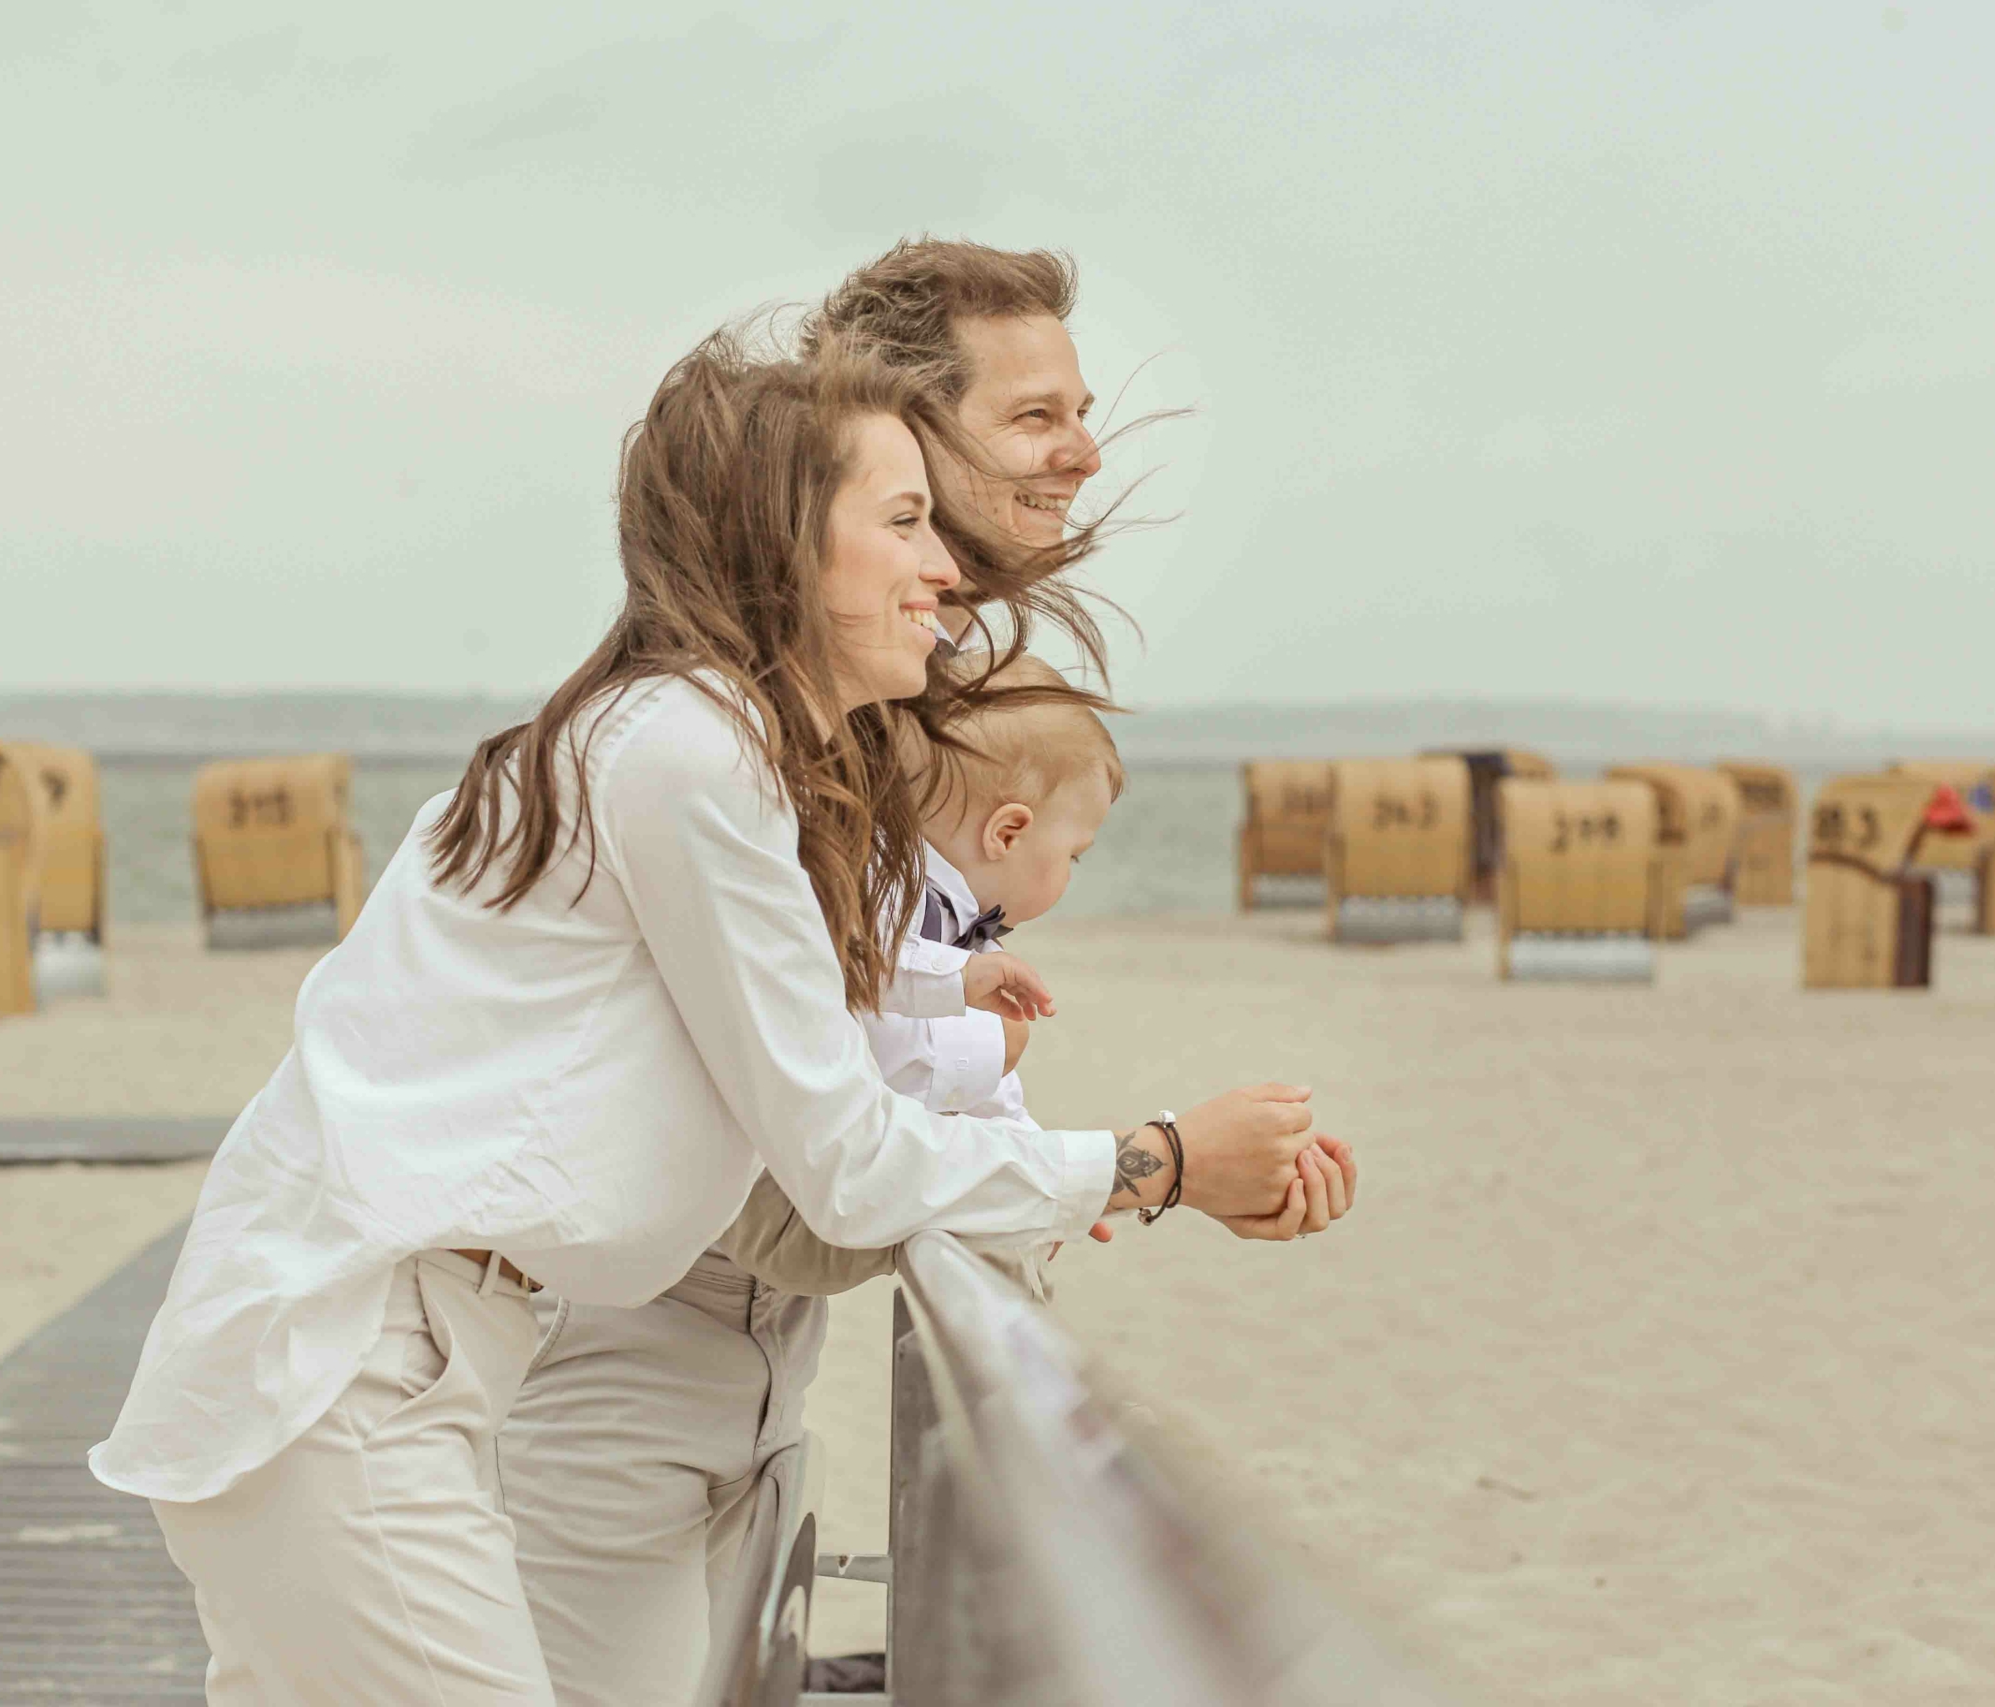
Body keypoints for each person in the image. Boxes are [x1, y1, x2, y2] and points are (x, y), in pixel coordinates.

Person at [91, 329, 1342, 1704]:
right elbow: (847, 1161)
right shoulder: (694, 753)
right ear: (787, 549)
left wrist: (929, 1002)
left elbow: (790, 1066)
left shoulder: (681, 741)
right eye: (908, 521)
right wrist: (1158, 1162)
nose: (943, 573)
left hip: (395, 1368)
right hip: (346, 1374)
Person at [494, 244, 1356, 1707]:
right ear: (887, 424)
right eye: (1034, 419)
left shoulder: (884, 698)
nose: (1083, 455)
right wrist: (1155, 1166)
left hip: (743, 1365)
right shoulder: (746, 730)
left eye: (1082, 414)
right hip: (619, 1349)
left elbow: (851, 1057)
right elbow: (829, 1150)